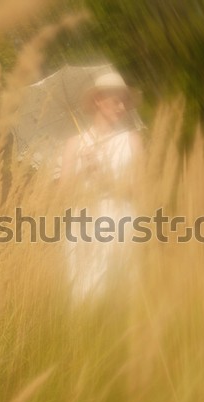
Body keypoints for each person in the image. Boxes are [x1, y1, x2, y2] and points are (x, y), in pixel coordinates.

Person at [60, 71, 144, 304]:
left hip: (122, 222)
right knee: (86, 296)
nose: (122, 106)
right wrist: (83, 169)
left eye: (125, 101)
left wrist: (106, 176)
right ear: (99, 100)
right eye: (116, 100)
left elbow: (140, 189)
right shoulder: (74, 144)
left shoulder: (132, 140)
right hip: (83, 224)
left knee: (123, 296)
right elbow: (63, 194)